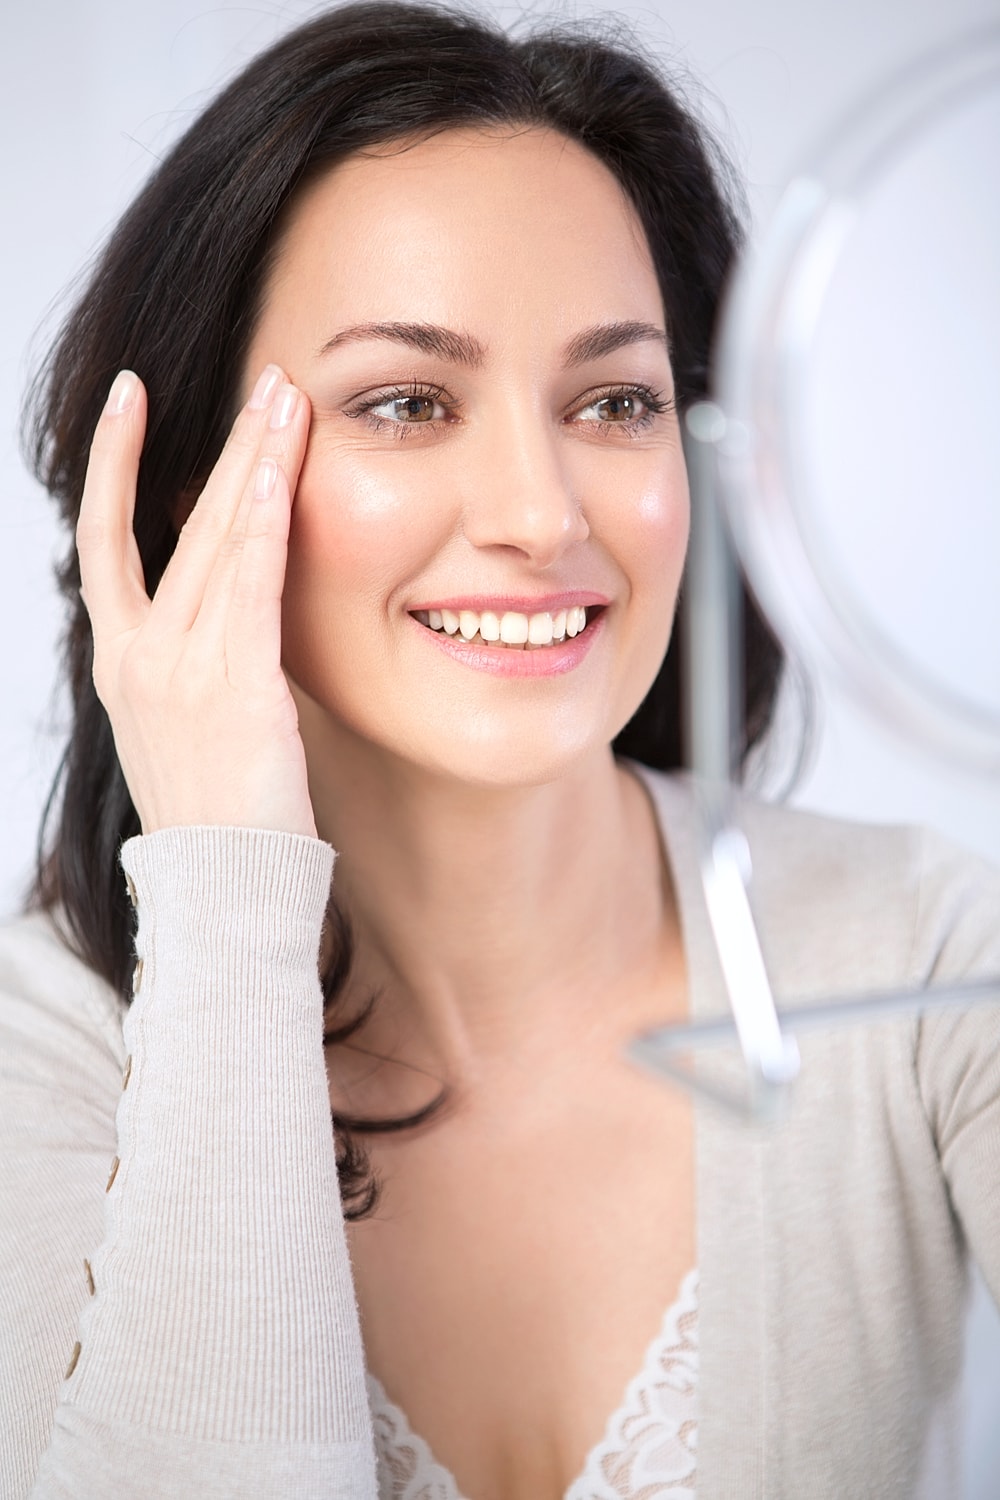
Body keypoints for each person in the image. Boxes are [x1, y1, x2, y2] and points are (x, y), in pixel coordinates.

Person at [1, 4, 997, 1497]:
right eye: (407, 402)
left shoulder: (927, 961)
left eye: (618, 401)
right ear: (187, 479)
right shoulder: (40, 1052)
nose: (542, 513)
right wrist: (225, 884)